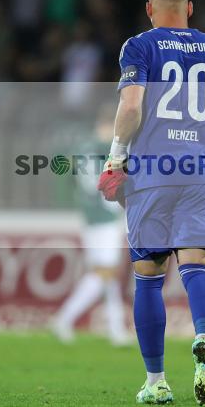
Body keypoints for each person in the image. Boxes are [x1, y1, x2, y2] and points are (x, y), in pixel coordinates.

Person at [97, 0, 205, 406]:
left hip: (152, 174)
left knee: (148, 277)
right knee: (196, 266)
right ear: (190, 8)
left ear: (150, 8)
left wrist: (114, 156)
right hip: (201, 173)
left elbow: (131, 106)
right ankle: (204, 338)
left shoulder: (140, 46)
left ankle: (156, 381)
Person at [52, 106, 129, 347]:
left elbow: (72, 181)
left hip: (89, 217)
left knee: (108, 276)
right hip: (105, 218)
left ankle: (116, 330)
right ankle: (64, 318)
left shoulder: (82, 148)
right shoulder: (108, 151)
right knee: (104, 273)